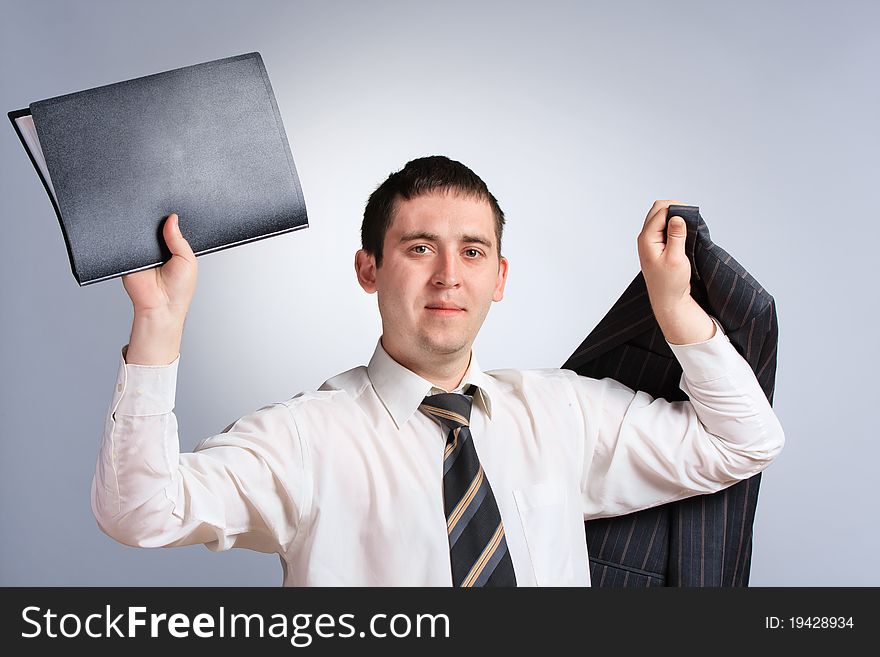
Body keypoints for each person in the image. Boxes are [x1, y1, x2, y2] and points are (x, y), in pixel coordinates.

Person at [91, 155, 785, 586]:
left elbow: (744, 441)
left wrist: (672, 307)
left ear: (500, 277)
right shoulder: (305, 438)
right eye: (420, 247)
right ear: (370, 269)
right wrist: (158, 325)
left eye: (474, 252)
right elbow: (142, 512)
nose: (449, 275)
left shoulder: (560, 413)